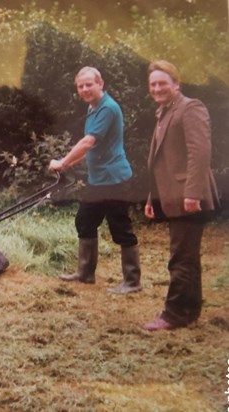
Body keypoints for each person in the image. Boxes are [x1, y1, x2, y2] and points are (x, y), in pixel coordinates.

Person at [49, 66, 141, 294]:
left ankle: (132, 281)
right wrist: (68, 164)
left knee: (121, 227)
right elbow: (92, 148)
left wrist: (62, 161)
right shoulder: (93, 108)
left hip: (114, 179)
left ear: (101, 84)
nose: (84, 89)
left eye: (89, 84)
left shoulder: (108, 108)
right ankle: (85, 273)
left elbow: (88, 143)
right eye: (80, 86)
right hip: (98, 180)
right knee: (85, 221)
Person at [143, 60, 220, 331]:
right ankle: (188, 311)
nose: (157, 88)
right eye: (153, 84)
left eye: (162, 83)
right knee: (187, 256)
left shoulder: (191, 108)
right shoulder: (164, 112)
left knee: (181, 257)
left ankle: (174, 315)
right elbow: (161, 161)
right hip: (172, 197)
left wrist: (192, 193)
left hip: (189, 197)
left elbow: (199, 153)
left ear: (177, 84)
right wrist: (152, 198)